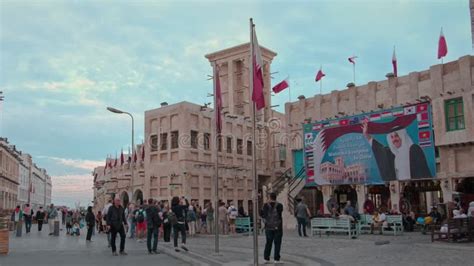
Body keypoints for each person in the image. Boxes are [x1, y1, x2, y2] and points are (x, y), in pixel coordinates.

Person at [362, 121, 433, 181]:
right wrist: (366, 135)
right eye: (392, 137)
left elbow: (422, 173)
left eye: (396, 136)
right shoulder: (394, 155)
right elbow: (379, 149)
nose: (394, 139)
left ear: (402, 136)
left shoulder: (414, 149)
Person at [261, 192, 283, 264]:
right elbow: (280, 213)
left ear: (270, 197)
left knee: (268, 243)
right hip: (278, 227)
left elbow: (262, 214)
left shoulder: (265, 205)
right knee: (277, 243)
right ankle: (276, 259)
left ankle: (266, 258)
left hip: (268, 227)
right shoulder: (280, 205)